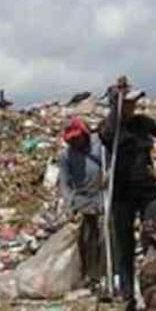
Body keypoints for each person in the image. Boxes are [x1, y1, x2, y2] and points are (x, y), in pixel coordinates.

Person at [98, 84, 156, 310]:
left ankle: (155, 289)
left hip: (147, 191)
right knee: (124, 244)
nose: (132, 106)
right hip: (121, 193)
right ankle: (127, 296)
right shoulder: (109, 128)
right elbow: (107, 135)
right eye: (127, 103)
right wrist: (116, 107)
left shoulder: (143, 123)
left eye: (133, 102)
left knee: (152, 235)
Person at [57, 117, 107, 290]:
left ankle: (106, 272)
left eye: (78, 137)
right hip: (83, 200)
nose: (75, 141)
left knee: (106, 237)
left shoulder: (100, 146)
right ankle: (91, 275)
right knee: (87, 240)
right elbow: (65, 183)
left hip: (104, 195)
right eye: (72, 139)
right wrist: (69, 205)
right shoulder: (66, 156)